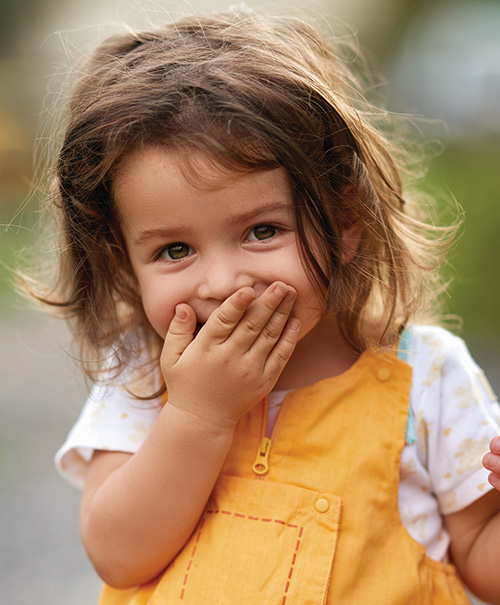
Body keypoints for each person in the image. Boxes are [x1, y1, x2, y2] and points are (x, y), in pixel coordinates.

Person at [29, 7, 500, 604]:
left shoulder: (425, 374)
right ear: (124, 262)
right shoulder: (146, 373)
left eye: (262, 231)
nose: (223, 282)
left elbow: (480, 557)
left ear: (346, 218)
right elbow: (117, 555)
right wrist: (199, 415)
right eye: (175, 249)